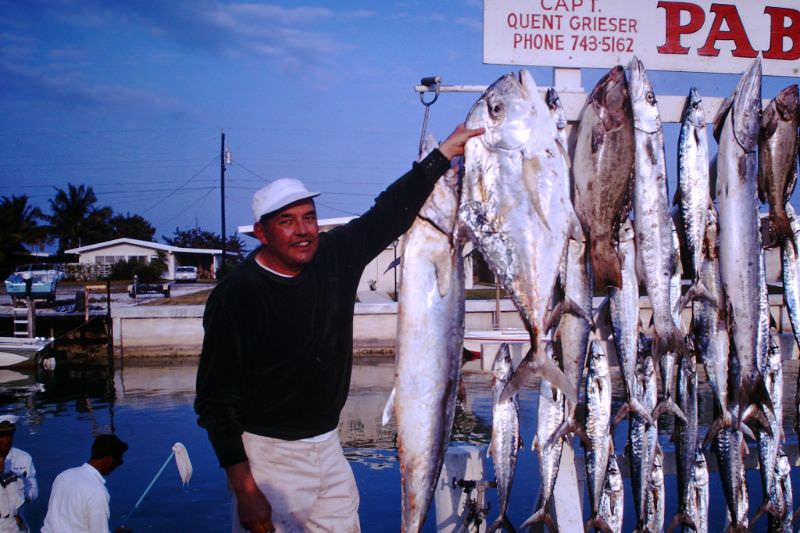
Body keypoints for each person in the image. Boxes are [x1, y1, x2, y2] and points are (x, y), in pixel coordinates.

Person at [195, 123, 483, 533]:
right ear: (261, 232)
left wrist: (443, 155)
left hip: (329, 447)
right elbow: (213, 403)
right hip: (269, 457)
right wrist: (245, 488)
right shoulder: (237, 294)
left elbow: (387, 214)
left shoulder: (334, 257)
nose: (303, 231)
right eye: (287, 221)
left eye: (309, 218)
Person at [41, 434, 130, 533]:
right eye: (119, 461)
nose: (119, 465)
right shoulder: (98, 492)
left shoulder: (64, 475)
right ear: (108, 459)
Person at [0, 415, 35, 532]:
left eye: (9, 435)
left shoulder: (24, 458)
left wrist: (16, 483)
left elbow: (33, 492)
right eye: (1, 436)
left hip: (17, 524)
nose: (6, 440)